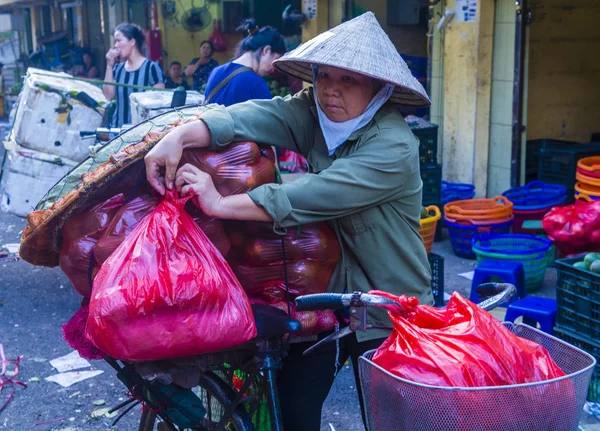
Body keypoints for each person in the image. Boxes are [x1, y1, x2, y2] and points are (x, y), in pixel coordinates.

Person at [145, 12, 433, 431]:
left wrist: (221, 203)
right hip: (327, 297)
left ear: (378, 88)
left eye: (348, 80)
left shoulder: (394, 147)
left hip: (387, 306)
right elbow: (259, 116)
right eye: (323, 76)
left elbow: (311, 196)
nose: (331, 91)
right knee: (295, 407)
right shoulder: (315, 113)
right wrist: (181, 135)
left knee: (391, 419)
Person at [202, 19, 286, 106]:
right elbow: (268, 119)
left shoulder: (216, 72)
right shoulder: (256, 84)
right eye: (276, 59)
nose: (274, 68)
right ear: (266, 51)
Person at [102, 23, 165, 128]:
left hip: (142, 131)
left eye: (119, 41)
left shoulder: (151, 68)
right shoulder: (118, 68)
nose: (116, 45)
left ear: (132, 42)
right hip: (118, 129)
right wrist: (109, 65)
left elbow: (159, 105)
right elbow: (108, 96)